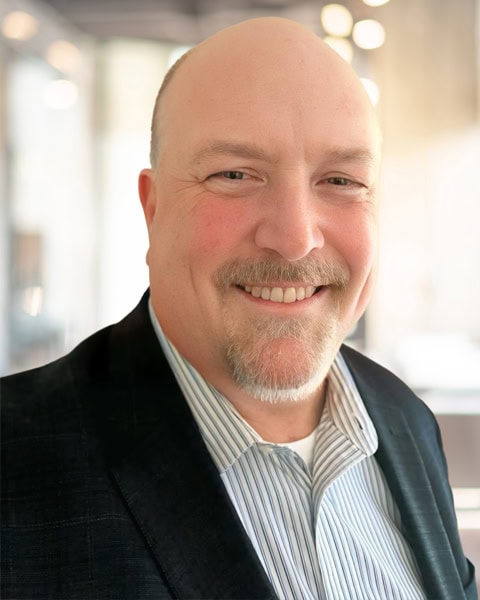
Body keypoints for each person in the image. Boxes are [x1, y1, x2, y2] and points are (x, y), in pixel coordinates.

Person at [1, 16, 477, 600]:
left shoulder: (406, 422)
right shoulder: (15, 463)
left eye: (341, 180)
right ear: (153, 210)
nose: (295, 238)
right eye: (234, 174)